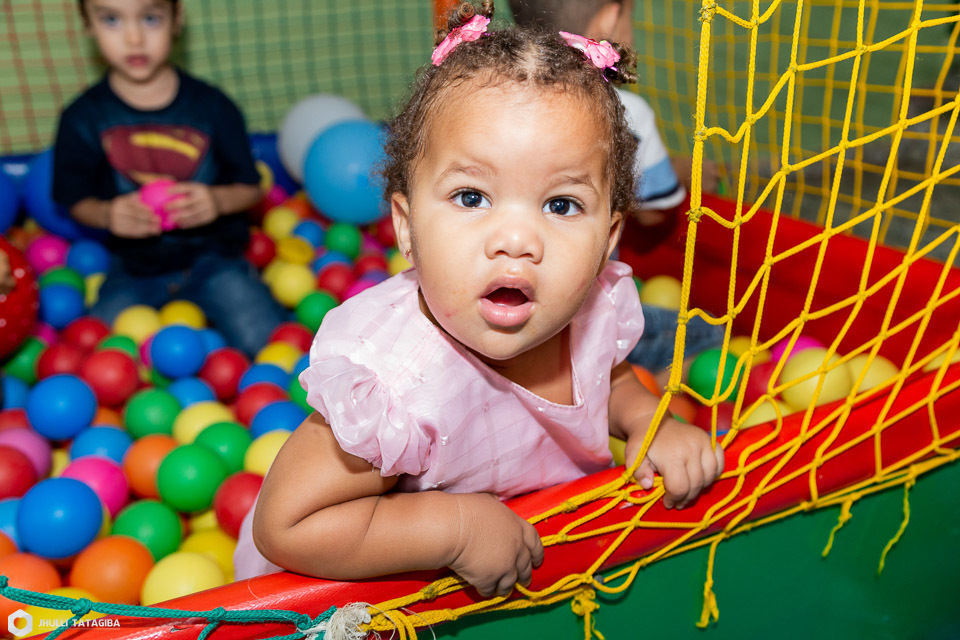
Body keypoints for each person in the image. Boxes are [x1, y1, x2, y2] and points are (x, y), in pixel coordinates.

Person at [235, 2, 724, 598]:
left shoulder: (590, 311)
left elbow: (607, 379)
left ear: (609, 239)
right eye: (471, 197)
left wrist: (648, 421)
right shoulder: (398, 384)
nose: (516, 240)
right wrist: (456, 528)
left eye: (561, 205)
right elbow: (285, 526)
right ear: (406, 227)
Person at [52, 0, 285, 356]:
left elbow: (251, 188)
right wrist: (109, 214)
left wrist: (217, 201)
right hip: (134, 268)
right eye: (111, 19)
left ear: (177, 19)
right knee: (102, 358)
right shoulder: (82, 118)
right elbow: (74, 200)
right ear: (88, 25)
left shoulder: (213, 107)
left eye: (150, 18)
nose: (134, 38)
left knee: (269, 346)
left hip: (215, 260)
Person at [509, 0, 724, 378]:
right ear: (610, 18)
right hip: (585, 317)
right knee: (709, 334)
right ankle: (640, 385)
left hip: (510, 298)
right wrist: (680, 171)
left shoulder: (495, 97)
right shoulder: (625, 111)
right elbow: (656, 211)